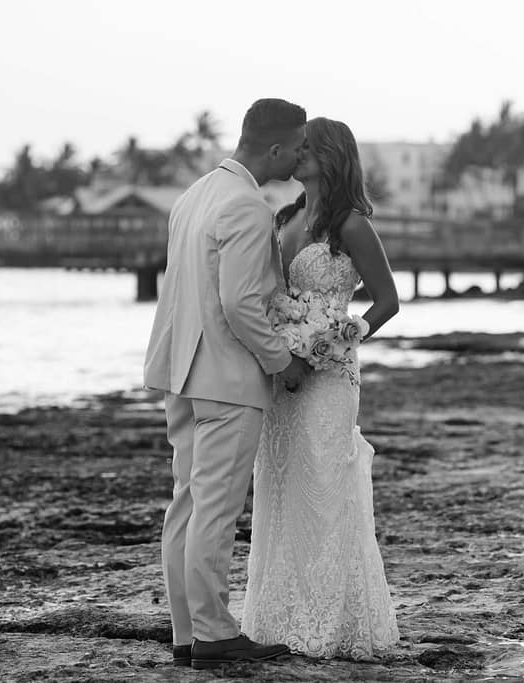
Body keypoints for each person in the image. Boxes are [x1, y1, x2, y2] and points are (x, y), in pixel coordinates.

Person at [143, 98, 312, 670]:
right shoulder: (244, 204)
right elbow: (240, 302)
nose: (298, 156)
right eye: (296, 147)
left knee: (187, 506)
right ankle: (214, 633)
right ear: (273, 148)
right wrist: (280, 360)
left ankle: (188, 634)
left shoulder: (196, 194)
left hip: (182, 373)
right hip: (227, 378)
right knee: (213, 511)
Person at [240, 117, 401, 659]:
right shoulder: (285, 218)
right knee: (282, 489)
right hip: (284, 375)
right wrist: (283, 346)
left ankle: (332, 625)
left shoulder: (350, 225)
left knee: (326, 490)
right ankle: (278, 619)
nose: (297, 155)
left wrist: (340, 339)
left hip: (330, 379)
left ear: (329, 157)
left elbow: (387, 301)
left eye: (307, 148)